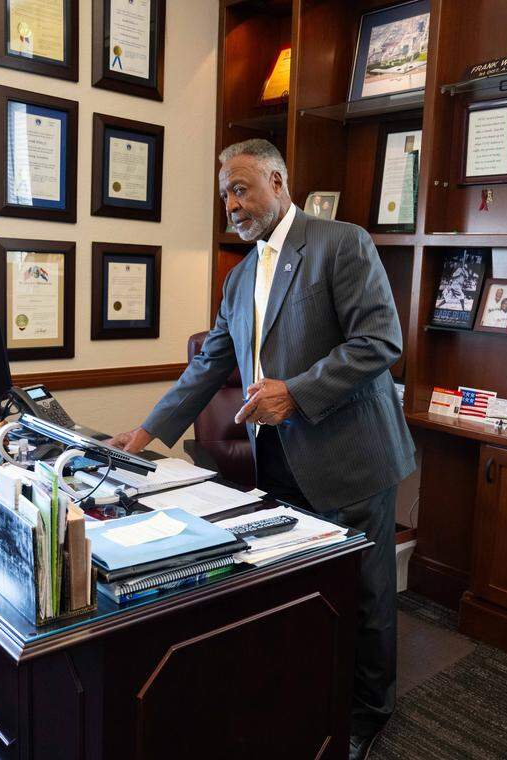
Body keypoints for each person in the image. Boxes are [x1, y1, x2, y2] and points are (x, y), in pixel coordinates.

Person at [108, 138, 415, 759]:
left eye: (242, 189)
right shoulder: (239, 275)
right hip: (277, 462)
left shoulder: (341, 243)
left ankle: (368, 716)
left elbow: (380, 341)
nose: (233, 205)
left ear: (278, 180)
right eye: (225, 194)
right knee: (301, 596)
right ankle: (310, 701)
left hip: (351, 458)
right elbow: (207, 366)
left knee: (367, 595)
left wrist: (296, 394)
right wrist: (142, 436)